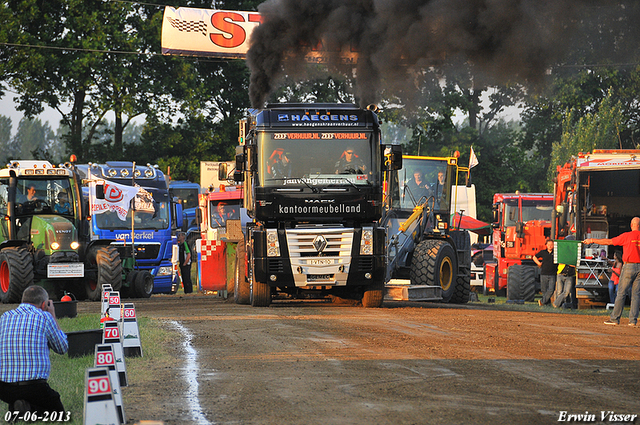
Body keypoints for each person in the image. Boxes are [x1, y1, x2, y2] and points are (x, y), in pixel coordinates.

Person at [0, 285, 68, 415]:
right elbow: (62, 348)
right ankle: (29, 409)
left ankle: (17, 407)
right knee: (59, 415)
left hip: (4, 388)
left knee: (18, 397)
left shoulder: (4, 317)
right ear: (44, 305)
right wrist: (52, 314)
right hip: (34, 386)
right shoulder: (44, 317)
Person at [584, 216, 640, 326]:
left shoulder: (627, 236)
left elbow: (609, 242)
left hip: (629, 266)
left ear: (631, 225)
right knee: (636, 295)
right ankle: (633, 321)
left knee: (621, 293)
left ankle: (615, 318)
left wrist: (592, 240)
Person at [533, 238, 558, 306]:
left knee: (551, 290)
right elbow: (534, 257)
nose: (550, 246)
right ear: (546, 245)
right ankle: (547, 304)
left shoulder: (556, 253)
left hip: (552, 274)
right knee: (544, 291)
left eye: (551, 245)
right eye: (548, 244)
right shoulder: (543, 252)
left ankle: (542, 301)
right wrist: (538, 263)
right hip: (544, 274)